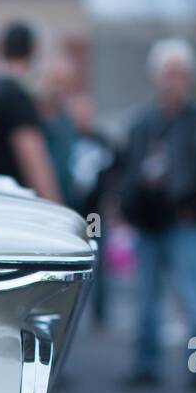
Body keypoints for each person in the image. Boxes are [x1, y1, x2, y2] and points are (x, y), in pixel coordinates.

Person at [119, 38, 196, 389]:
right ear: (156, 77)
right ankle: (146, 366)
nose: (174, 81)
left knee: (194, 296)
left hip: (187, 222)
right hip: (149, 222)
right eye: (168, 73)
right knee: (146, 298)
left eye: (180, 74)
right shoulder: (142, 123)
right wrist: (130, 207)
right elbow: (127, 170)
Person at [0, 22, 62, 202]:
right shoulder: (16, 96)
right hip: (19, 204)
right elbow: (34, 161)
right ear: (33, 50)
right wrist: (57, 209)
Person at [68, 93, 117, 327]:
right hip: (71, 212)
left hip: (94, 212)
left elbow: (113, 173)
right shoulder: (66, 139)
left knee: (97, 259)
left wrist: (109, 198)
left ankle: (100, 314)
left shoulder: (102, 141)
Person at [38, 56, 77, 206]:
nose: (58, 90)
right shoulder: (33, 119)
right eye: (55, 82)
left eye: (64, 84)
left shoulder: (67, 119)